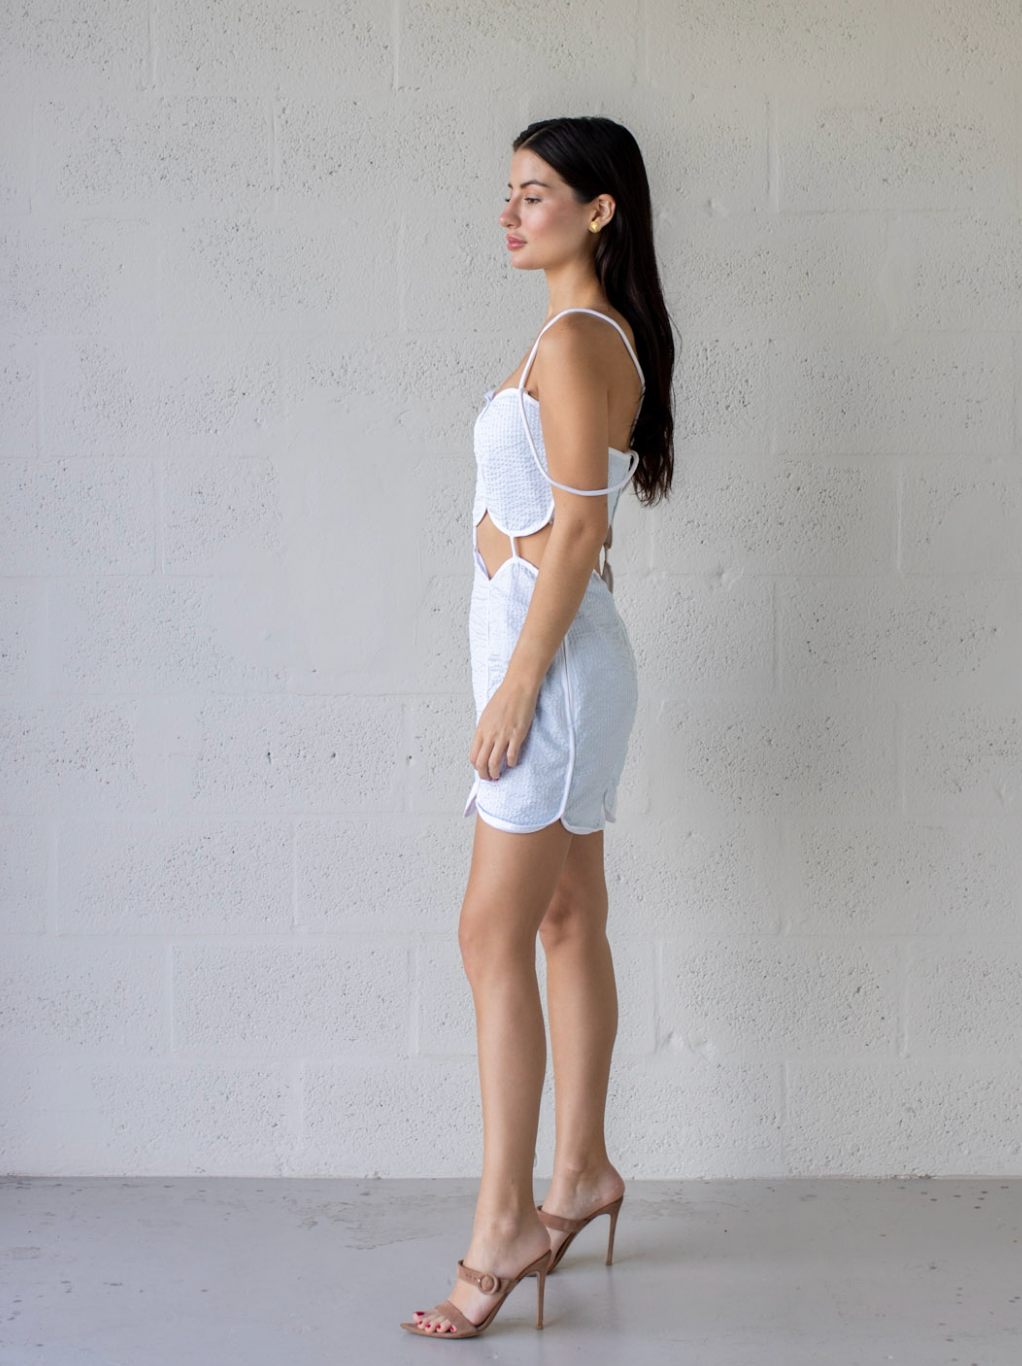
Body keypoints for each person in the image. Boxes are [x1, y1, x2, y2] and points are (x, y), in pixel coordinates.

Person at [401, 115, 676, 1340]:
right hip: (558, 659)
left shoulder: (574, 341)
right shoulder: (577, 334)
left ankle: (506, 1219)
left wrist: (517, 685)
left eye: (534, 193)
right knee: (566, 918)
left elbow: (577, 533)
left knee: (490, 931)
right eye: (507, 192)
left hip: (552, 673)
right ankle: (583, 1171)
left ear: (599, 209)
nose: (509, 213)